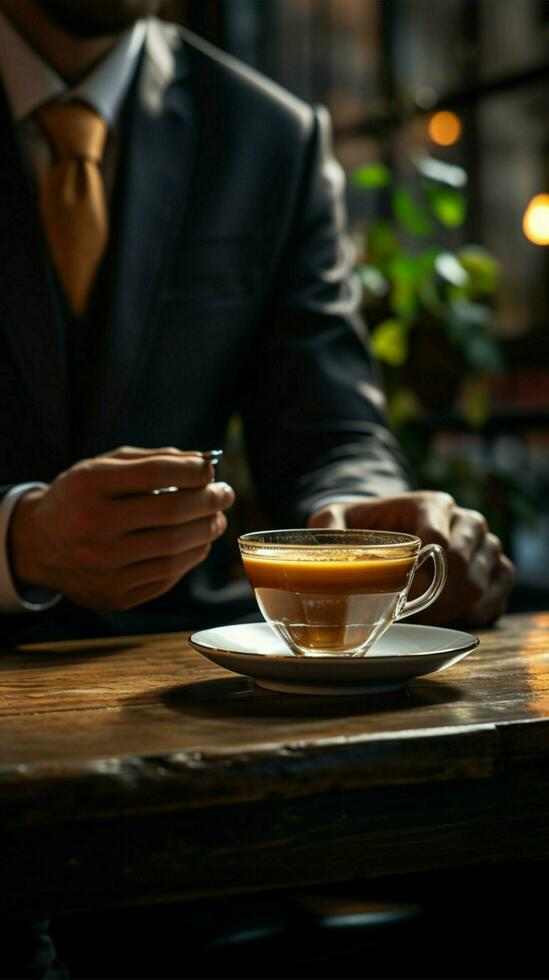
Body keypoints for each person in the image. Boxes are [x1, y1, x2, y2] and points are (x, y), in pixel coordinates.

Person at [0, 0, 514, 649]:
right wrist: (16, 540)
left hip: (183, 662)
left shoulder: (269, 138)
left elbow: (327, 432)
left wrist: (359, 518)